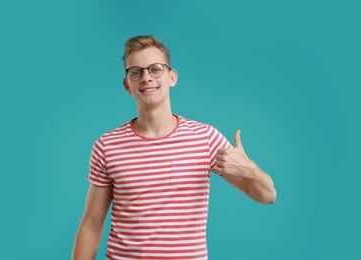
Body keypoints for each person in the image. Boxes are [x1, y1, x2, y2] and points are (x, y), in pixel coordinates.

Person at [72, 35, 276, 260]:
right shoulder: (107, 146)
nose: (146, 78)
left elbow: (267, 196)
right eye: (136, 72)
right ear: (126, 84)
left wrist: (249, 170)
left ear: (172, 77)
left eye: (155, 69)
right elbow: (91, 224)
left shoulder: (205, 138)